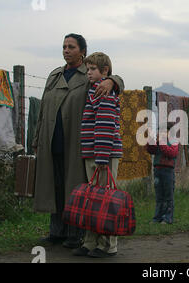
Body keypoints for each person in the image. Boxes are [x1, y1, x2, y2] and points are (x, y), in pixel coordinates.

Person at [33, 34, 124, 249]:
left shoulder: (90, 73)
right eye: (64, 46)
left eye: (71, 47)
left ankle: (76, 234)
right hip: (51, 139)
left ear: (82, 51)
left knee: (75, 187)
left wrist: (113, 81)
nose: (66, 50)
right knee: (54, 185)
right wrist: (37, 138)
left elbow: (112, 78)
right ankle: (56, 232)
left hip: (76, 141)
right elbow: (43, 109)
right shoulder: (55, 75)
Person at [71, 52, 122, 258]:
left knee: (105, 199)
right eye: (88, 69)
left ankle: (109, 244)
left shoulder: (105, 93)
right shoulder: (93, 90)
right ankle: (91, 241)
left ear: (105, 71)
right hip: (93, 152)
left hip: (104, 155)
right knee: (92, 199)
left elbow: (105, 125)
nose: (88, 72)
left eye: (92, 69)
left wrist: (102, 157)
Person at [146, 123, 179, 224]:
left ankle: (167, 217)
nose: (163, 133)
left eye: (165, 131)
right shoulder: (159, 141)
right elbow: (151, 150)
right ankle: (157, 217)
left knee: (168, 195)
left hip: (168, 171)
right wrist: (151, 141)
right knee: (159, 196)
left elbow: (171, 153)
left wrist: (162, 142)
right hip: (157, 170)